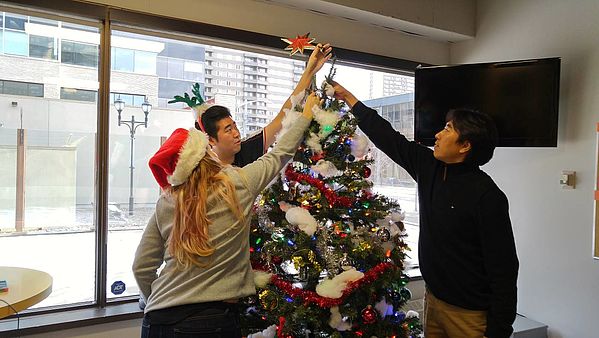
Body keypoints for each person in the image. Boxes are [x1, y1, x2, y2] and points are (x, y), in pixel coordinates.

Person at [330, 81, 519, 338]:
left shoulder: (488, 197)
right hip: (434, 300)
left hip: (470, 316)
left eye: (448, 129)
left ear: (465, 146)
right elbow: (389, 138)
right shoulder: (430, 167)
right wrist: (349, 98)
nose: (438, 135)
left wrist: (499, 329)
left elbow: (504, 269)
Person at [132, 92, 321, 338]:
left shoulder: (167, 200)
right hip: (210, 321)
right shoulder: (237, 182)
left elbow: (141, 267)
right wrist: (306, 115)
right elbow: (280, 153)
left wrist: (156, 299)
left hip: (155, 322)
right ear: (205, 151)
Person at [197, 43, 332, 167]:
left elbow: (283, 116)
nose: (236, 133)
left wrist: (310, 71)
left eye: (234, 126)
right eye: (228, 130)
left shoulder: (246, 150)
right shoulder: (205, 171)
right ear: (211, 140)